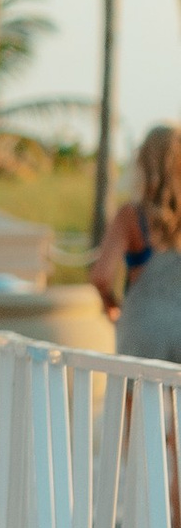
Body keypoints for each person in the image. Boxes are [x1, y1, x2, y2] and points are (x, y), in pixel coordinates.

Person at [90, 124, 181, 359]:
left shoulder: (131, 215)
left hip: (142, 328)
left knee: (136, 396)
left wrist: (112, 306)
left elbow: (101, 277)